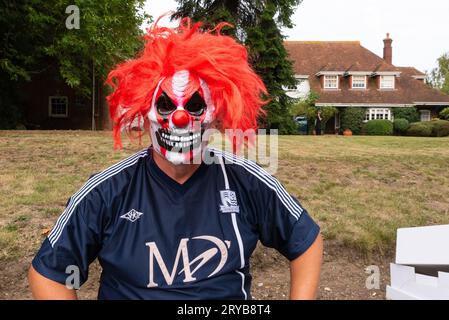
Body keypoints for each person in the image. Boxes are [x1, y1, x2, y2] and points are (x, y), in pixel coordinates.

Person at [28, 18, 323, 300]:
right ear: (146, 114)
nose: (180, 118)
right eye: (165, 106)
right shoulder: (107, 191)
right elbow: (49, 273)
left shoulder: (245, 180)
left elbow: (305, 241)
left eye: (195, 105)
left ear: (215, 113)